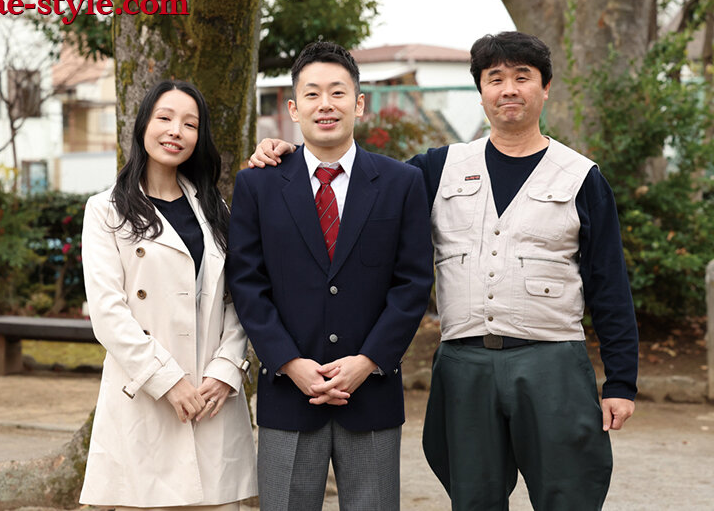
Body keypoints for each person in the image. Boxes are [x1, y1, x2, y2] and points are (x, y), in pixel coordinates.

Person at [248, 31, 639, 511]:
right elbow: (354, 181)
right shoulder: (436, 168)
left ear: (546, 87)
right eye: (495, 79)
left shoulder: (581, 177)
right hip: (465, 363)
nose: (509, 90)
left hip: (553, 361)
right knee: (473, 497)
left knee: (569, 495)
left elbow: (609, 284)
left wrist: (621, 382)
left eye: (523, 78)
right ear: (481, 91)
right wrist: (286, 154)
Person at [226, 41, 433, 511]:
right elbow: (247, 283)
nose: (326, 104)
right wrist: (288, 362)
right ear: (293, 109)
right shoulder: (258, 184)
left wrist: (368, 361)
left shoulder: (401, 183)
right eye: (313, 94)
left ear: (358, 104)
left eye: (338, 93)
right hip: (288, 392)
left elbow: (413, 283)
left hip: (373, 392)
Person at [79, 80, 257, 510]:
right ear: (143, 124)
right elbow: (108, 313)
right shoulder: (105, 210)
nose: (176, 130)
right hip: (145, 395)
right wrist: (168, 382)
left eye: (190, 124)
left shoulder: (215, 208)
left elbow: (238, 300)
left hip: (211, 398)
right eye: (165, 118)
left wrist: (226, 370)